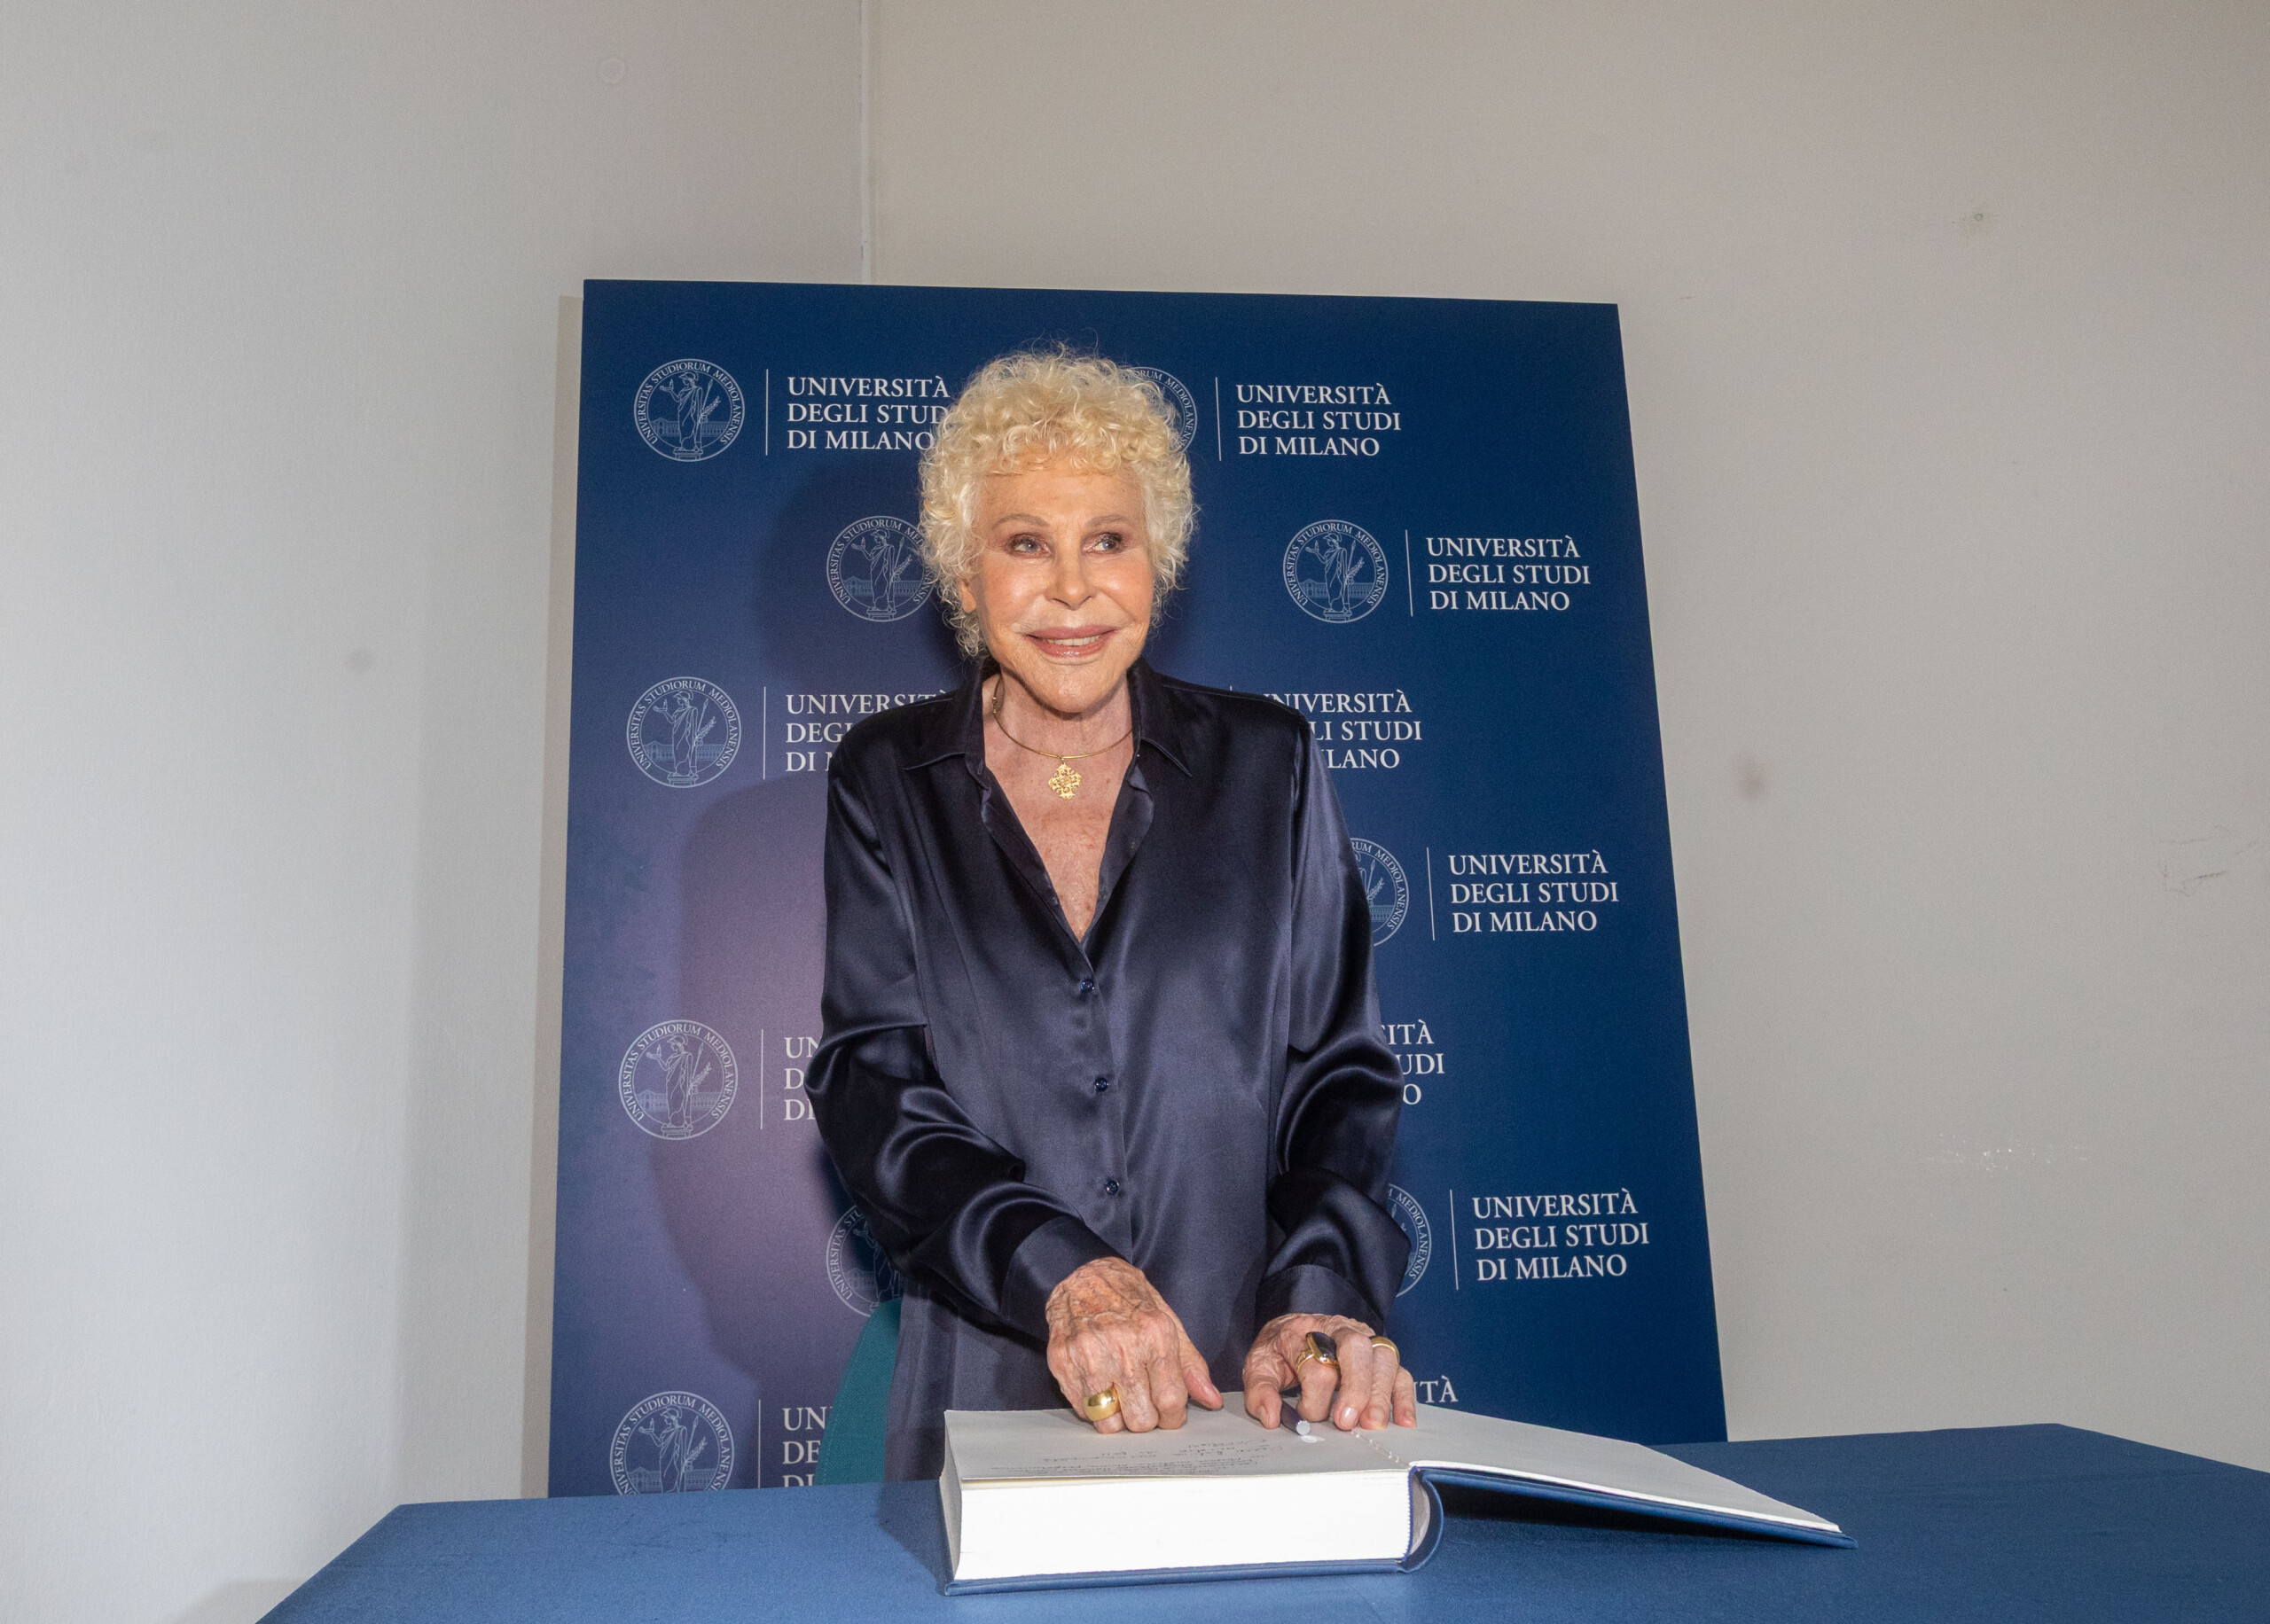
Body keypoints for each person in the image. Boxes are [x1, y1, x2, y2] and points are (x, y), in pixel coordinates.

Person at [809, 350, 1415, 1481]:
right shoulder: (885, 775)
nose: (1073, 589)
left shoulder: (1270, 761)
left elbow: (1336, 1072)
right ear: (964, 568)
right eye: (1025, 541)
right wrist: (1064, 1272)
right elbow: (872, 1083)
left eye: (1109, 540)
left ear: (1159, 559)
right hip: (989, 1396)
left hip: (1251, 1389)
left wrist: (1317, 1296)